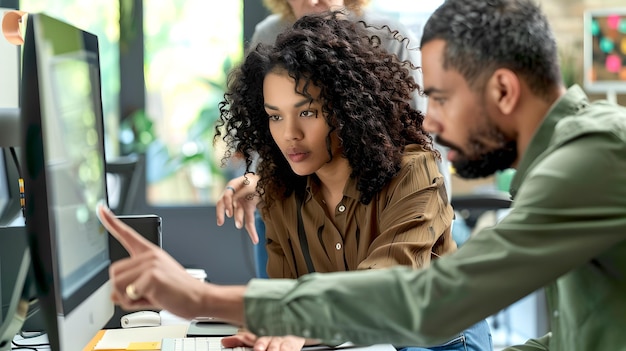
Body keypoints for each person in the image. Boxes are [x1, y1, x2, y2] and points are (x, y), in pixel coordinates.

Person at [100, 1, 626, 350]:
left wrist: (203, 299)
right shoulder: (569, 162)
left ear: (504, 91)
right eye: (275, 116)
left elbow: (431, 299)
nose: (432, 121)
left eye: (440, 98)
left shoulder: (586, 161)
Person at [214, 10, 490, 351]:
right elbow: (289, 301)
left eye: (307, 112)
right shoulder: (280, 192)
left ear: (346, 107)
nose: (289, 134)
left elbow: (385, 286)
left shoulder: (414, 171)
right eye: (275, 116)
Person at [218, 0, 453, 251]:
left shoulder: (387, 37)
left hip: (372, 201)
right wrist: (257, 180)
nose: (310, 1)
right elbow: (265, 130)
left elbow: (422, 138)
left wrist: (437, 213)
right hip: (295, 200)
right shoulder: (268, 34)